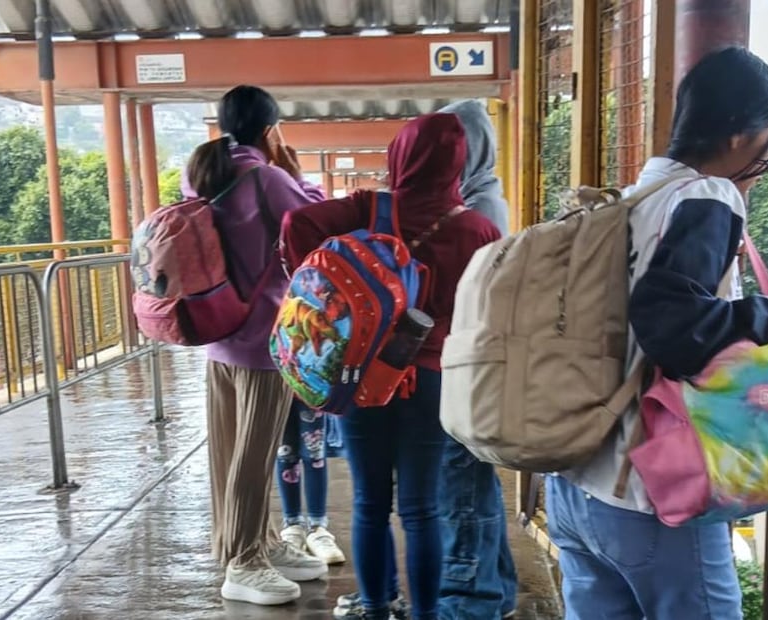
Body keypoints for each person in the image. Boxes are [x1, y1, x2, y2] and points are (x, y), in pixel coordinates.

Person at [547, 48, 768, 620]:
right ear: (747, 133)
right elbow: (678, 328)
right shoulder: (705, 196)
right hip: (649, 493)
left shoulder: (619, 202)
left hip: (574, 483)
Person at [283, 113, 501, 620]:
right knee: (422, 508)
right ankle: (426, 613)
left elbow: (296, 223)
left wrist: (313, 288)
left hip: (361, 376)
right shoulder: (477, 227)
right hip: (433, 380)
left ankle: (376, 607)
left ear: (399, 155)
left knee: (369, 503)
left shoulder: (369, 208)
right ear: (457, 162)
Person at [184, 84, 329, 606]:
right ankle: (242, 562)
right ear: (270, 131)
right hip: (262, 342)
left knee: (229, 449)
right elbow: (314, 223)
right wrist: (294, 174)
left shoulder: (200, 171)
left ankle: (255, 543)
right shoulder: (266, 178)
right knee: (253, 452)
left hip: (217, 333)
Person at [435, 99, 518, 620]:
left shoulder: (474, 215)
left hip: (466, 374)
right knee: (474, 483)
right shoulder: (484, 200)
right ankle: (497, 589)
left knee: (460, 486)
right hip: (478, 371)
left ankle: (469, 601)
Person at [275, 403, 346, 565]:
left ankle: (317, 526)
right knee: (284, 452)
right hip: (278, 385)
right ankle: (292, 524)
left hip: (312, 386)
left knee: (315, 453)